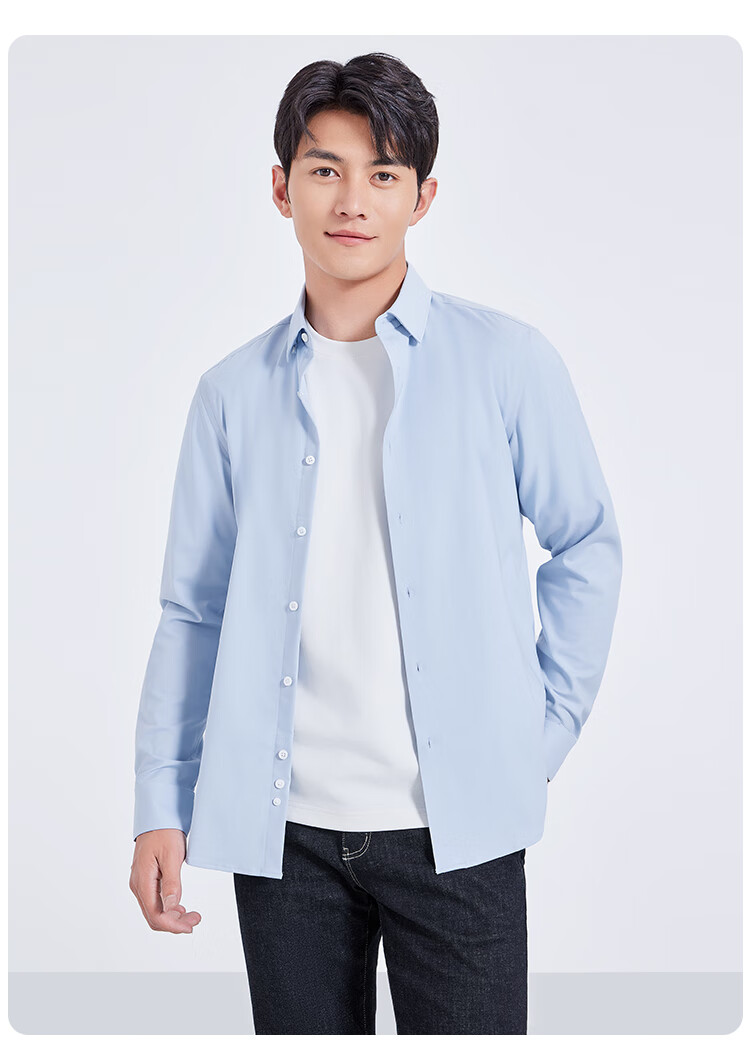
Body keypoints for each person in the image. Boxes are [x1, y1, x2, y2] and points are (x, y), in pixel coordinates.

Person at [129, 52, 623, 1035]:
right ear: (282, 188)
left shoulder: (507, 362)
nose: (352, 200)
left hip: (459, 830)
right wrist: (159, 800)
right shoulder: (230, 395)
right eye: (325, 169)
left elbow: (587, 544)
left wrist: (538, 737)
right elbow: (193, 610)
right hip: (287, 838)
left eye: (383, 173)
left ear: (421, 197)